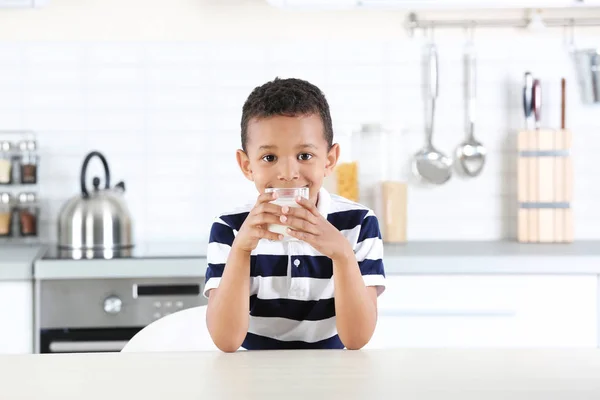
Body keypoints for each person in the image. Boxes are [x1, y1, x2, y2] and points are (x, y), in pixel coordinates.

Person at [204, 77, 386, 352]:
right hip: (252, 376)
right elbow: (227, 342)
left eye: (304, 156)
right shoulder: (229, 229)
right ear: (246, 165)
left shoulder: (359, 224)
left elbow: (357, 339)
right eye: (269, 158)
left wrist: (341, 253)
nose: (288, 172)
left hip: (334, 375)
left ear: (330, 160)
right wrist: (241, 249)